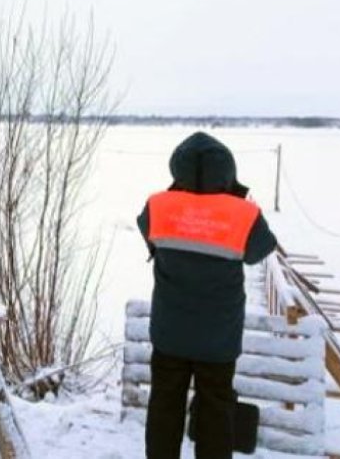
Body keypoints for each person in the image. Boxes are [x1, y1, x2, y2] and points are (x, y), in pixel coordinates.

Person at [136, 132, 277, 459]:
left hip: (169, 334)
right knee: (216, 412)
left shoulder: (158, 205)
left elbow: (149, 233)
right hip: (219, 339)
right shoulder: (244, 213)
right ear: (228, 170)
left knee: (164, 407)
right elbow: (260, 250)